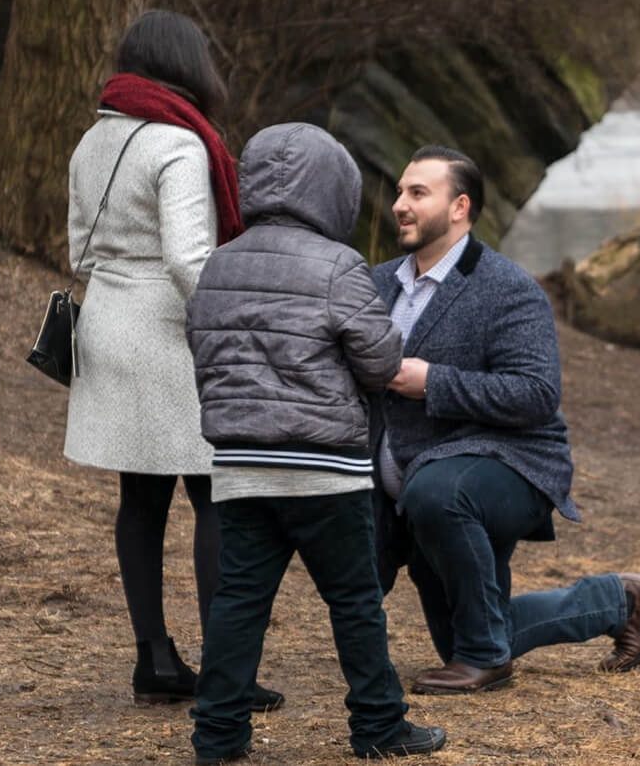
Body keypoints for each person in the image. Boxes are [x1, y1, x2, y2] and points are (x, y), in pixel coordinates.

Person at [185, 123, 448, 764]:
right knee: (355, 603)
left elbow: (202, 351)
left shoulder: (220, 262)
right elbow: (382, 357)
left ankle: (217, 737)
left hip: (242, 464)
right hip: (323, 467)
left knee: (238, 602)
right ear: (333, 191)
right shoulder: (338, 266)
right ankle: (379, 727)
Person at [371, 145, 640, 694]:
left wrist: (433, 381)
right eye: (400, 192)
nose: (399, 205)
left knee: (439, 499)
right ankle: (615, 600)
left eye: (417, 193)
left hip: (505, 467)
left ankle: (488, 662)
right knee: (465, 636)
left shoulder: (507, 287)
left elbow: (535, 393)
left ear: (460, 207)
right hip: (406, 479)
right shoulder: (377, 283)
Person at [63, 9, 280, 711]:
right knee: (216, 492)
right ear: (190, 65)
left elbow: (78, 252)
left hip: (108, 323)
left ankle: (154, 659)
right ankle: (228, 671)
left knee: (142, 498)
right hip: (168, 335)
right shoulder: (181, 144)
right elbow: (191, 262)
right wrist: (241, 319)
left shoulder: (93, 139)